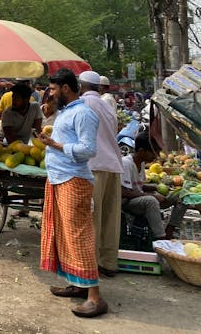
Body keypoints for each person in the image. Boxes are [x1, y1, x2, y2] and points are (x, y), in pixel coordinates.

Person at [37, 68, 107, 319]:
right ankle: (78, 285)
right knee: (64, 235)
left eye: (53, 89)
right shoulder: (66, 112)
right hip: (59, 179)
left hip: (73, 180)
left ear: (65, 88)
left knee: (79, 236)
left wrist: (56, 145)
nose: (51, 93)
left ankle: (95, 298)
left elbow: (88, 149)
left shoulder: (84, 113)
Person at [79, 70, 122, 278]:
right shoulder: (108, 105)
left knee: (91, 218)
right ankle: (109, 262)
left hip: (94, 165)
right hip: (113, 165)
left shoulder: (83, 104)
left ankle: (91, 264)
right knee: (110, 218)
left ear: (81, 85)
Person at [121, 131, 188, 240]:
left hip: (139, 198)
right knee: (151, 201)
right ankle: (160, 238)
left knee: (183, 194)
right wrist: (152, 195)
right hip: (128, 203)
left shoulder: (141, 163)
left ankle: (170, 229)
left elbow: (138, 186)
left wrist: (156, 188)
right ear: (142, 151)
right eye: (153, 152)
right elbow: (122, 192)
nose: (156, 156)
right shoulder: (126, 163)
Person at [0, 83, 42, 150]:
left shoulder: (35, 107)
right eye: (13, 97)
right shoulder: (7, 113)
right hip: (1, 141)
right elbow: (10, 139)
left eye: (17, 98)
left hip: (21, 144)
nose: (13, 100)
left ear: (26, 100)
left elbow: (38, 129)